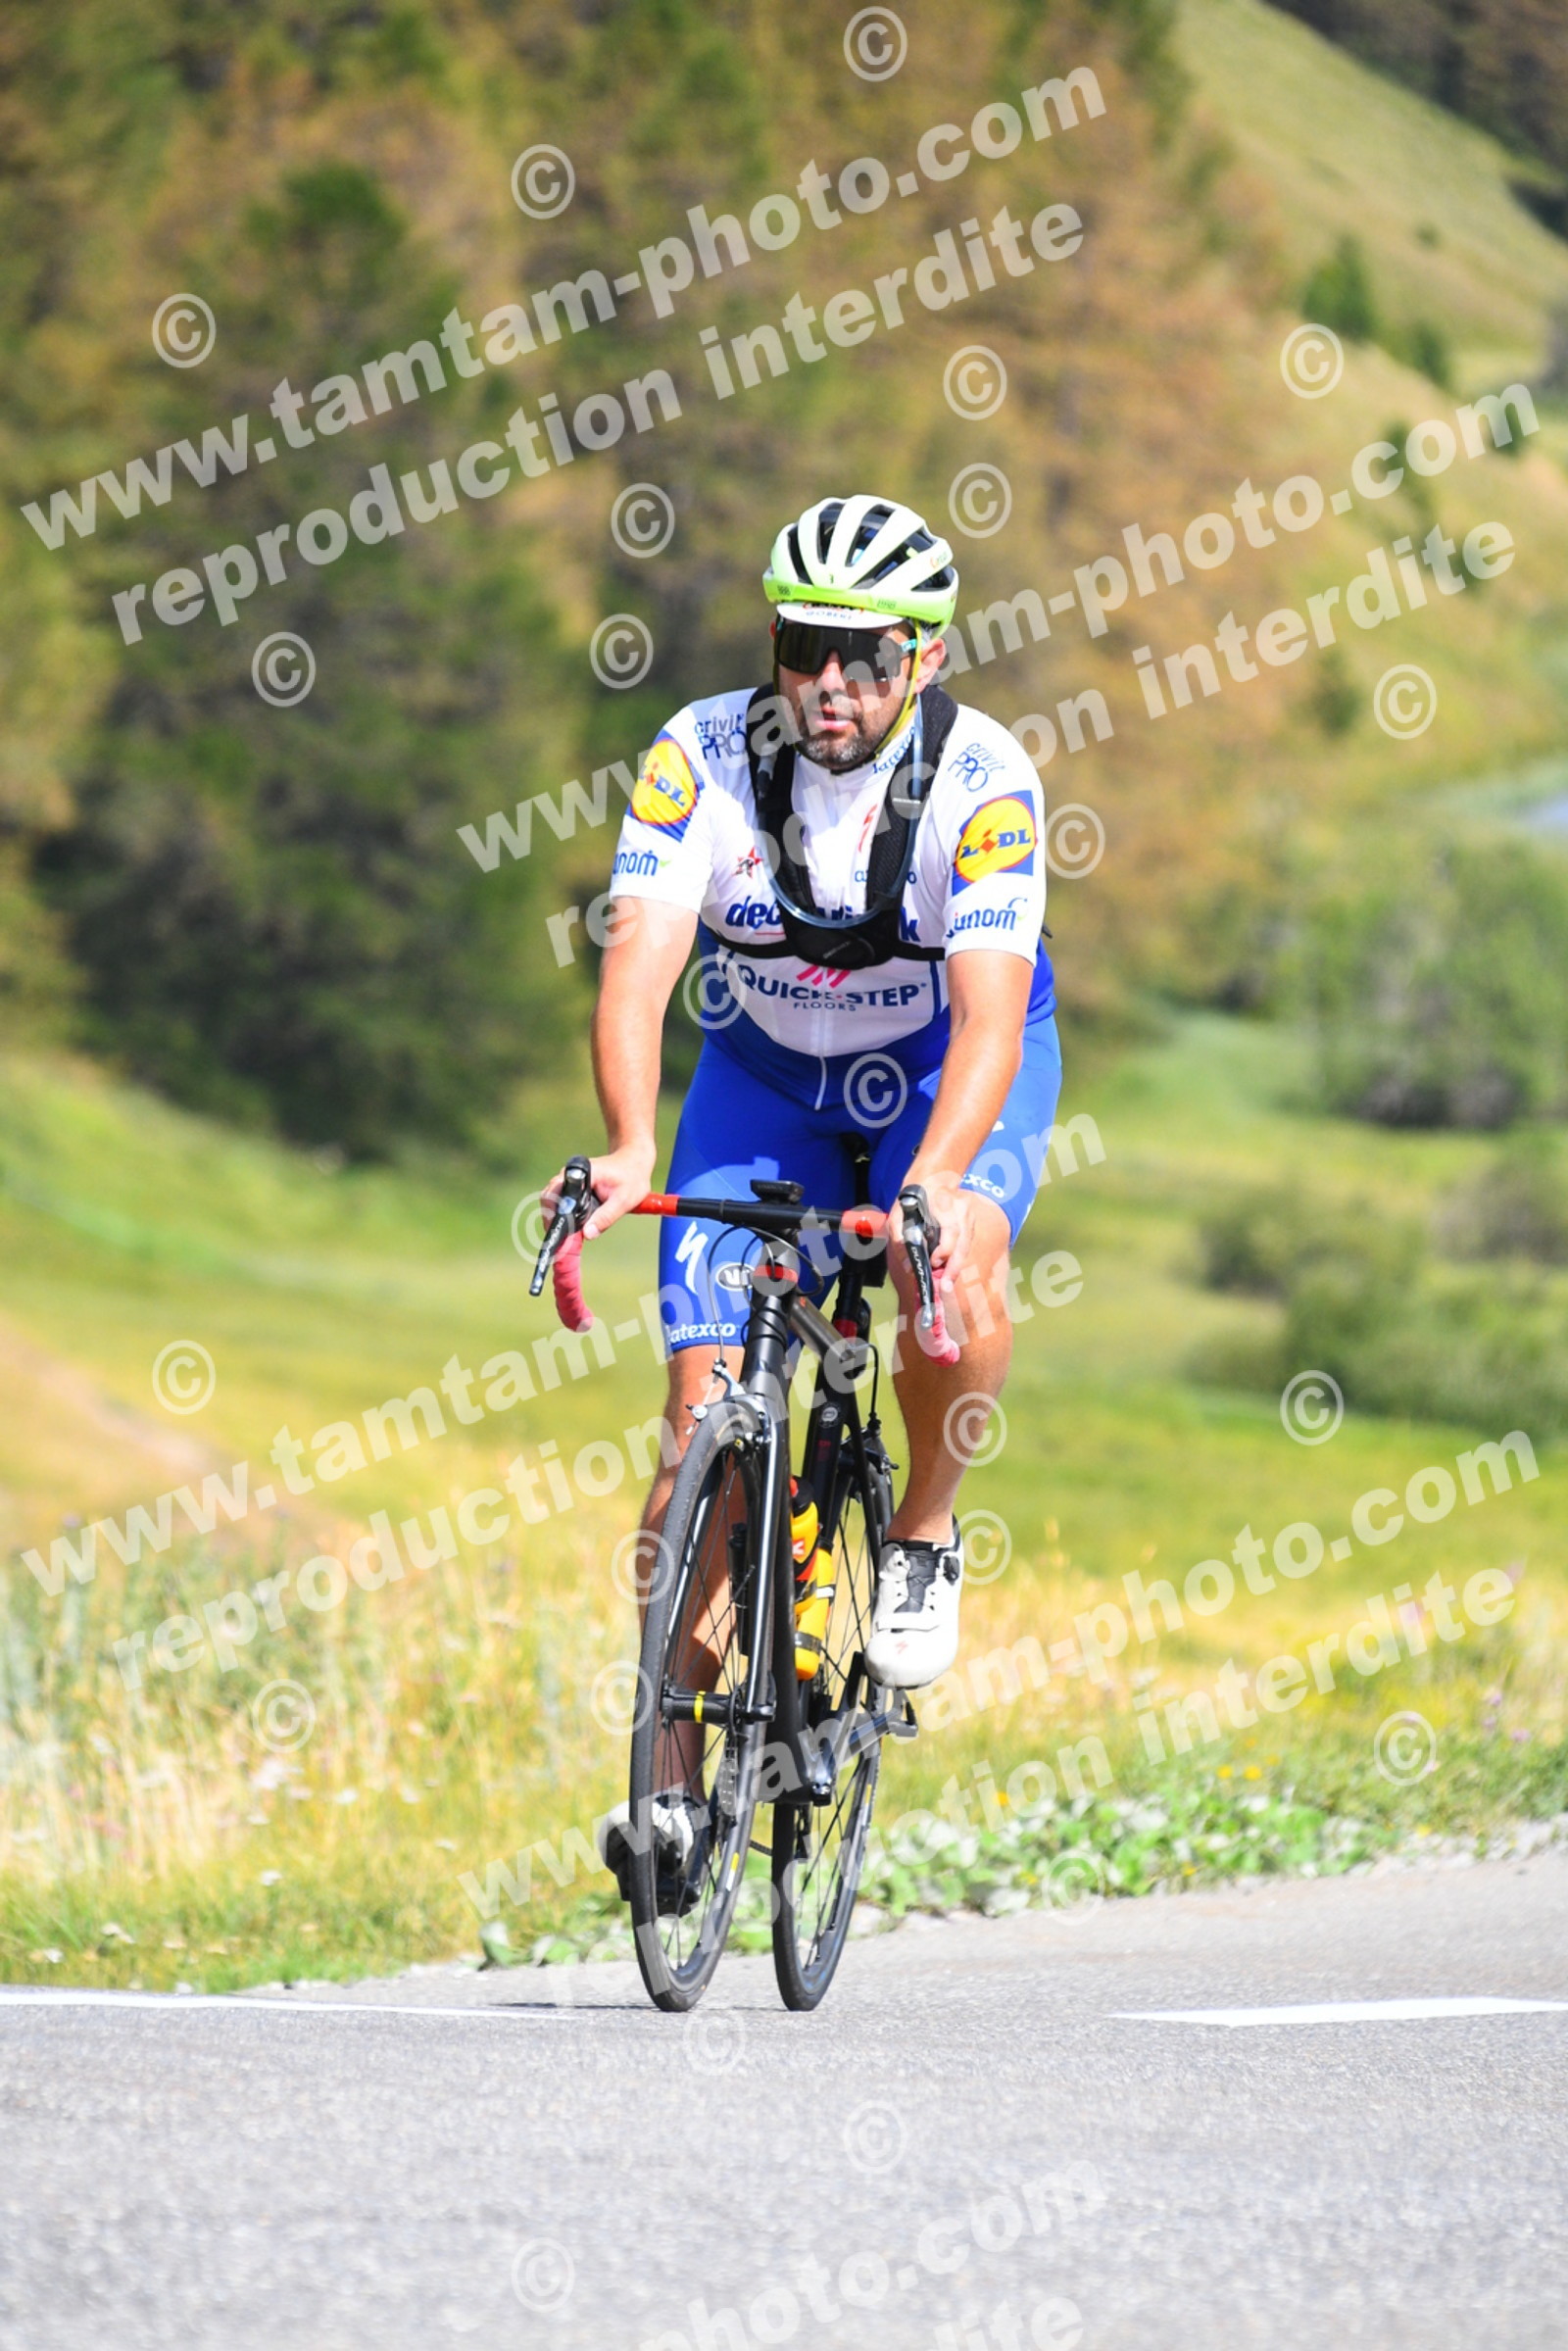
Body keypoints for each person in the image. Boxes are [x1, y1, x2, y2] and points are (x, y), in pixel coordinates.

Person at [555, 492, 1060, 1701]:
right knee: (696, 1428)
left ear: (923, 657)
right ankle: (671, 1774)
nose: (829, 683)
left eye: (865, 655)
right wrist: (626, 1144)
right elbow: (638, 971)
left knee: (950, 1268)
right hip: (765, 1076)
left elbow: (990, 1018)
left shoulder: (982, 779)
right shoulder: (699, 754)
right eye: (802, 645)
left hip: (937, 1073)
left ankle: (923, 1534)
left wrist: (935, 1183)